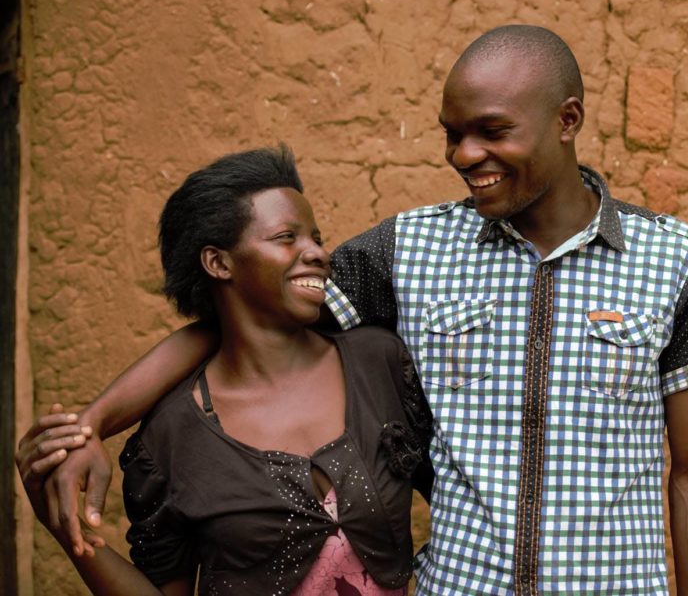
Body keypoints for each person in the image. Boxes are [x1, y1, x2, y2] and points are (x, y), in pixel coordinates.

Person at [20, 25, 688, 595]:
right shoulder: (406, 250)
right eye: (452, 133)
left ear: (567, 119)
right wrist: (90, 425)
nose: (464, 153)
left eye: (491, 131)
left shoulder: (676, 260)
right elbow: (236, 325)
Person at [16, 145, 434, 595]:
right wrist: (67, 529)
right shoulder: (172, 436)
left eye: (315, 237)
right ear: (218, 262)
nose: (317, 252)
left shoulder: (381, 363)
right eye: (286, 238)